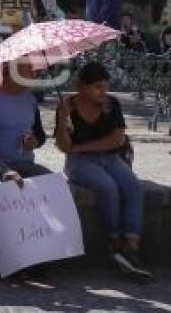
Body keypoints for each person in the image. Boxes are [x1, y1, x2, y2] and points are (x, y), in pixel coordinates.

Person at [55, 62, 150, 278]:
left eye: (105, 86)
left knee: (133, 187)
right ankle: (114, 240)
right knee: (108, 187)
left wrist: (83, 146)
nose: (103, 92)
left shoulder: (111, 104)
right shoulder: (68, 106)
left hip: (109, 158)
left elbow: (116, 140)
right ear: (82, 87)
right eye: (97, 87)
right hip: (79, 163)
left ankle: (131, 246)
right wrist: (62, 120)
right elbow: (64, 147)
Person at [0, 59, 50, 186]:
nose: (34, 73)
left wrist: (34, 141)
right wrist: (3, 170)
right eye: (29, 68)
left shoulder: (30, 98)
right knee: (14, 191)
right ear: (10, 71)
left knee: (59, 186)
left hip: (26, 165)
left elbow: (40, 135)